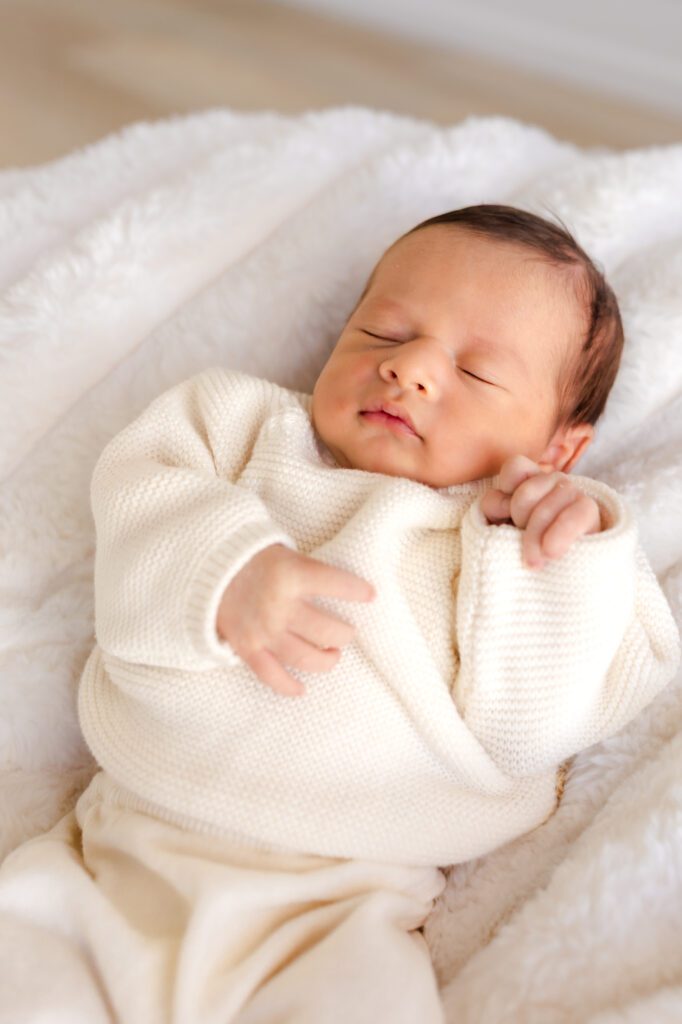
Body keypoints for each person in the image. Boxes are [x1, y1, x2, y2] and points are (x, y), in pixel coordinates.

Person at [0, 205, 678, 1024]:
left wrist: (562, 551)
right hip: (120, 857)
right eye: (383, 333)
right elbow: (141, 488)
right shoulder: (244, 429)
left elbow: (539, 727)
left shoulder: (518, 548)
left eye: (476, 372)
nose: (410, 367)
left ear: (560, 448)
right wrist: (224, 568)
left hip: (343, 906)